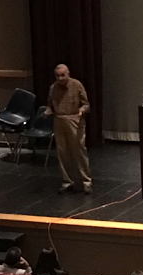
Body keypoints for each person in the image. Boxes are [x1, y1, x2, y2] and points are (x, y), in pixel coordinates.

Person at [44, 64, 92, 195]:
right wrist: (48, 110)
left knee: (79, 152)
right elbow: (50, 104)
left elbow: (86, 104)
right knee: (62, 153)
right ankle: (67, 182)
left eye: (62, 75)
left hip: (74, 121)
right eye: (57, 76)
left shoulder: (77, 85)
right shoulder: (53, 88)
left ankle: (86, 182)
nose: (60, 78)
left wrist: (81, 111)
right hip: (59, 120)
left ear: (68, 74)